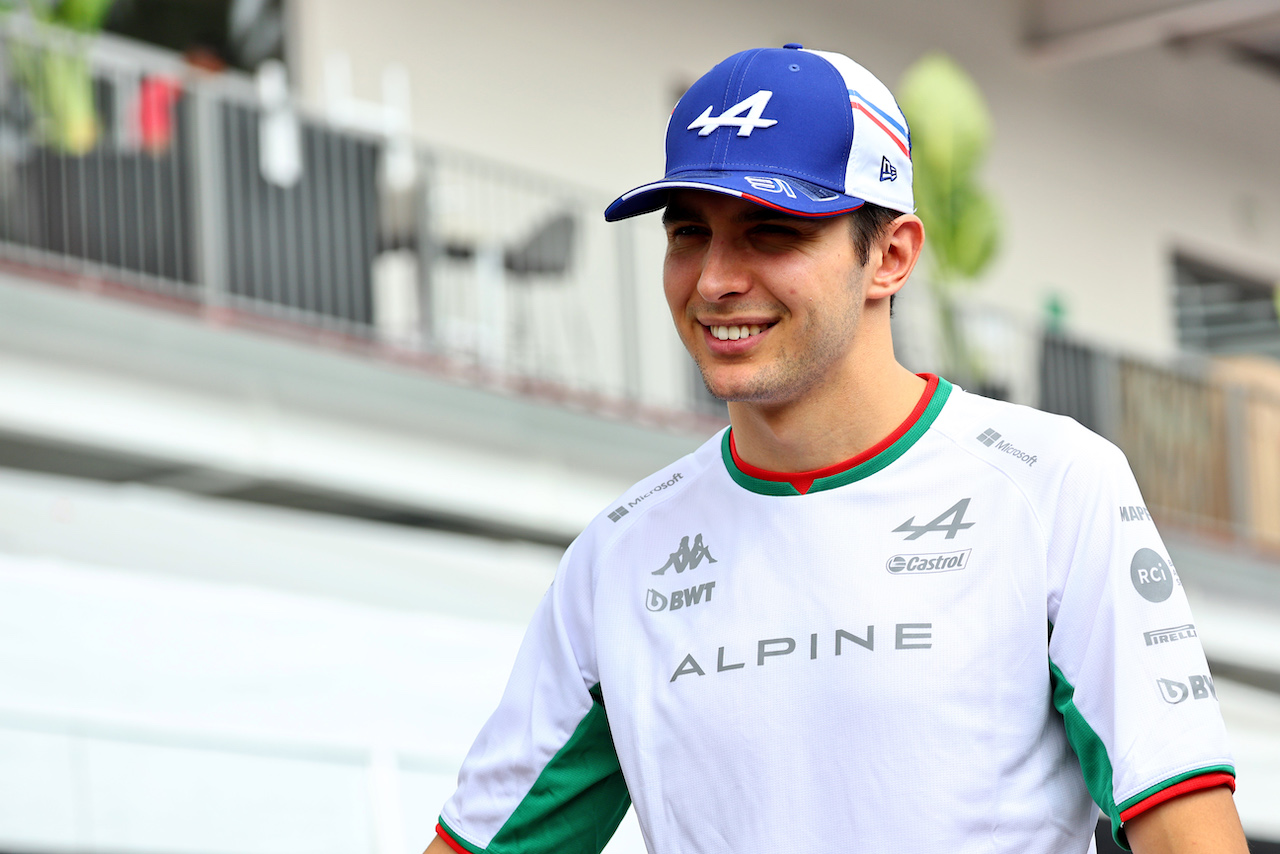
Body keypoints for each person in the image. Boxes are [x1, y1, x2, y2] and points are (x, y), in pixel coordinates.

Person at [426, 45, 1247, 854]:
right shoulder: (618, 555)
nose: (714, 280)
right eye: (688, 233)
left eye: (770, 231)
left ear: (889, 256)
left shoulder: (1051, 485)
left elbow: (1188, 836)